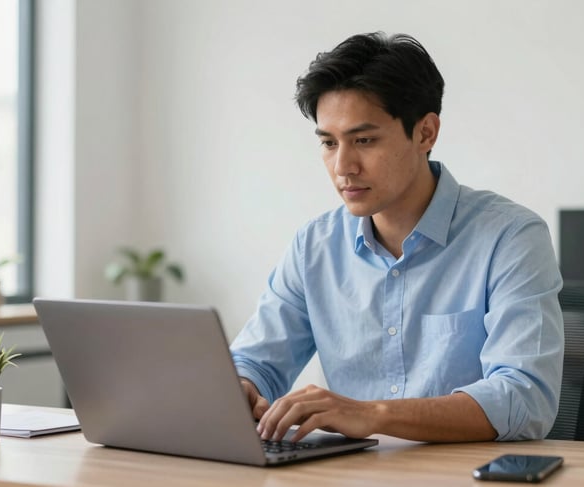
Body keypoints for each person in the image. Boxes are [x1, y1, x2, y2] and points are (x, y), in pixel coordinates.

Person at [230, 32, 564, 444]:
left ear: (425, 133)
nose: (343, 167)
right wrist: (241, 388)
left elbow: (525, 399)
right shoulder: (314, 246)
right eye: (329, 143)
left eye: (364, 140)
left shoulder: (510, 237)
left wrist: (373, 415)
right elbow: (254, 361)